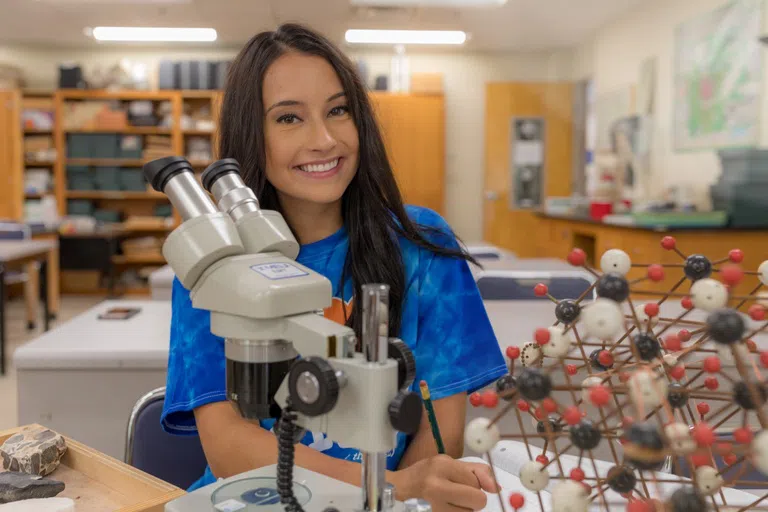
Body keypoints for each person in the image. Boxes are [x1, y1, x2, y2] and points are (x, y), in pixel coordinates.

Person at [161, 22, 507, 512]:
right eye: (288, 119)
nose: (324, 139)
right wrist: (393, 487)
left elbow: (438, 428)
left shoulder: (422, 246)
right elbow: (228, 446)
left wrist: (392, 493)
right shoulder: (214, 265)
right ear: (250, 136)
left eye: (338, 110)